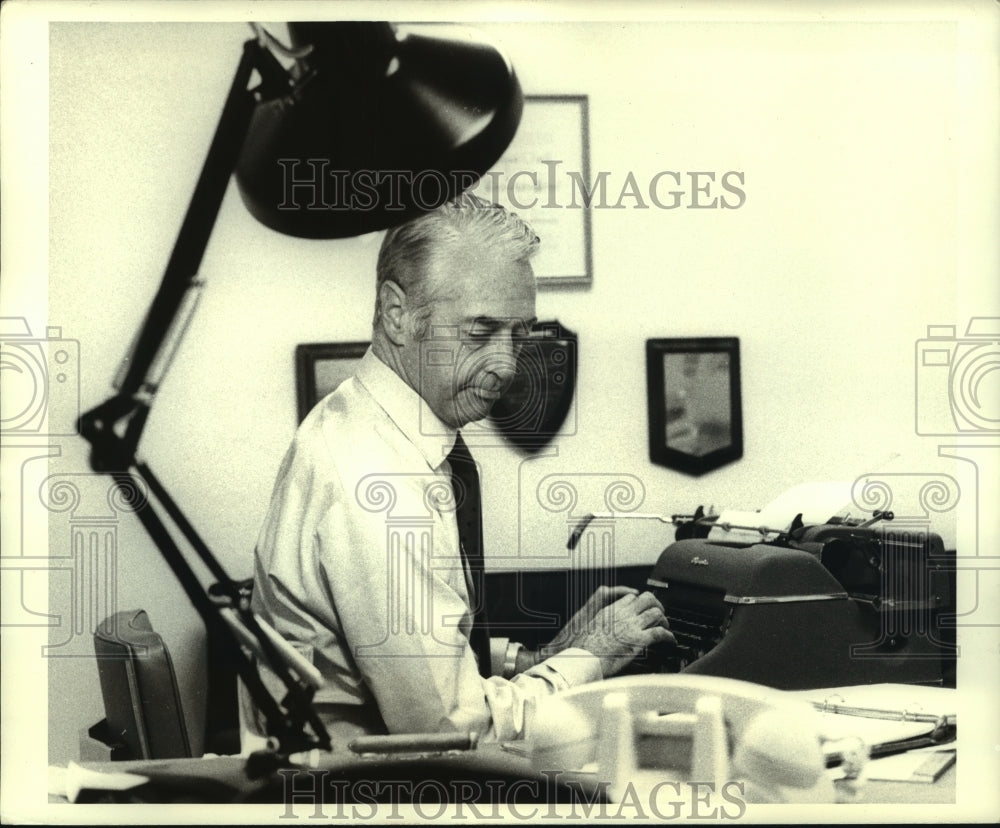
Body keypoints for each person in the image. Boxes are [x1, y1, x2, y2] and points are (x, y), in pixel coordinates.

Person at [239, 194, 674, 749]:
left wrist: (539, 660)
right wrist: (591, 658)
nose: (506, 364)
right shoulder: (382, 487)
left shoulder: (356, 421)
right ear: (397, 314)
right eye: (479, 332)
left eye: (518, 334)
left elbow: (396, 656)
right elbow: (451, 733)